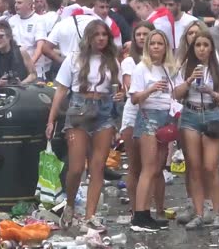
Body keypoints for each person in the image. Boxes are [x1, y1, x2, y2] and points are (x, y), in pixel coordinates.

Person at [45, 20, 124, 231]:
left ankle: (91, 216)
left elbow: (121, 89)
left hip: (105, 112)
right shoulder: (73, 59)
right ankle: (70, 204)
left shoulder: (113, 61)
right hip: (78, 111)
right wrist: (51, 120)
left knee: (98, 165)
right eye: (97, 34)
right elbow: (61, 91)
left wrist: (120, 96)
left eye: (104, 34)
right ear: (88, 37)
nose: (101, 38)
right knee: (76, 167)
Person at [174, 30, 219, 229]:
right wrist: (189, 81)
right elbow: (175, 93)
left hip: (212, 114)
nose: (201, 49)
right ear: (192, 48)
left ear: (211, 48)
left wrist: (211, 92)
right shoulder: (184, 67)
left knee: (210, 167)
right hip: (190, 115)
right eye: (198, 45)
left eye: (205, 45)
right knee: (194, 167)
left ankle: (216, 212)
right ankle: (198, 213)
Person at [129, 30, 176, 232]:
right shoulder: (141, 68)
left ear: (166, 47)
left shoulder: (170, 69)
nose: (156, 47)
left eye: (160, 43)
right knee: (148, 168)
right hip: (148, 117)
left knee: (158, 168)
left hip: (166, 119)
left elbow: (177, 91)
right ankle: (140, 215)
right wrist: (152, 89)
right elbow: (134, 98)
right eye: (153, 43)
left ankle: (148, 212)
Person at [120, 21, 155, 215]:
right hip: (134, 113)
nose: (141, 37)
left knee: (152, 166)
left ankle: (150, 207)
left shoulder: (161, 61)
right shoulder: (129, 61)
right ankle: (135, 208)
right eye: (138, 34)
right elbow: (129, 87)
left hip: (156, 113)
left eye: (145, 34)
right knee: (135, 165)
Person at [0, 21, 36, 88]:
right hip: (2, 92)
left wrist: (22, 83)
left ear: (9, 37)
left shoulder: (21, 52)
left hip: (22, 91)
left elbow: (33, 74)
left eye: (0, 36)